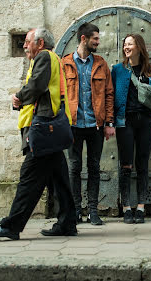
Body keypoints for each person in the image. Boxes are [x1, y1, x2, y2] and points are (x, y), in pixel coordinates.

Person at [0, 27, 77, 240]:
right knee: (59, 178)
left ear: (40, 43)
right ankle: (67, 222)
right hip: (50, 127)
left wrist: (19, 96)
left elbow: (36, 85)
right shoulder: (53, 58)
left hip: (44, 128)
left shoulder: (44, 56)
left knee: (29, 177)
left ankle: (11, 226)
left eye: (28, 41)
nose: (25, 45)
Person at [61, 23, 115, 225]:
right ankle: (76, 210)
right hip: (73, 126)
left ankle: (93, 211)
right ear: (83, 38)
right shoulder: (64, 63)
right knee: (74, 168)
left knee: (94, 167)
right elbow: (59, 95)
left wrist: (109, 122)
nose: (98, 42)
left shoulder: (101, 63)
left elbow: (109, 94)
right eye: (95, 39)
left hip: (95, 126)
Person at [111, 34, 151, 224]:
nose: (126, 47)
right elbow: (111, 96)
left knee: (142, 164)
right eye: (125, 44)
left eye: (130, 44)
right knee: (126, 165)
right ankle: (126, 208)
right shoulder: (118, 70)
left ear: (139, 47)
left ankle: (140, 207)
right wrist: (110, 121)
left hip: (146, 122)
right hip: (125, 122)